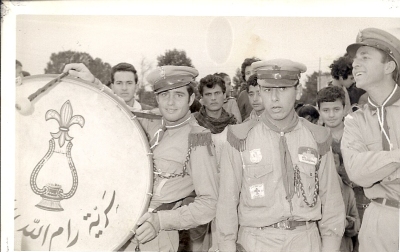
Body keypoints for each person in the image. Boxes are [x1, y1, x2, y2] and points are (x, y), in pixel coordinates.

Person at [216, 59, 345, 252]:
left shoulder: (317, 137)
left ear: (298, 91)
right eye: (267, 90)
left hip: (305, 240)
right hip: (255, 241)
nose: (274, 98)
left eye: (283, 89)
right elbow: (227, 203)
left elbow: (332, 203)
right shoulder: (240, 138)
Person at [118, 65, 217, 251]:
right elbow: (118, 109)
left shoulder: (198, 139)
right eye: (164, 95)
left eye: (179, 95)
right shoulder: (149, 122)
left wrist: (161, 221)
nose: (170, 102)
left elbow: (209, 204)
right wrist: (94, 82)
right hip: (121, 230)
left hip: (155, 238)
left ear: (191, 99)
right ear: (156, 98)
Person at [341, 27, 400, 252]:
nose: (355, 64)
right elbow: (357, 172)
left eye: (365, 57)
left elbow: (368, 170)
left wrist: (378, 166)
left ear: (389, 66)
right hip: (378, 219)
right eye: (355, 59)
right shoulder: (355, 120)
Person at [316, 86, 360, 252]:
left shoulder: (355, 134)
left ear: (344, 109)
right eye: (326, 110)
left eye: (336, 109)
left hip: (355, 199)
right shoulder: (315, 136)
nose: (331, 114)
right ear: (318, 110)